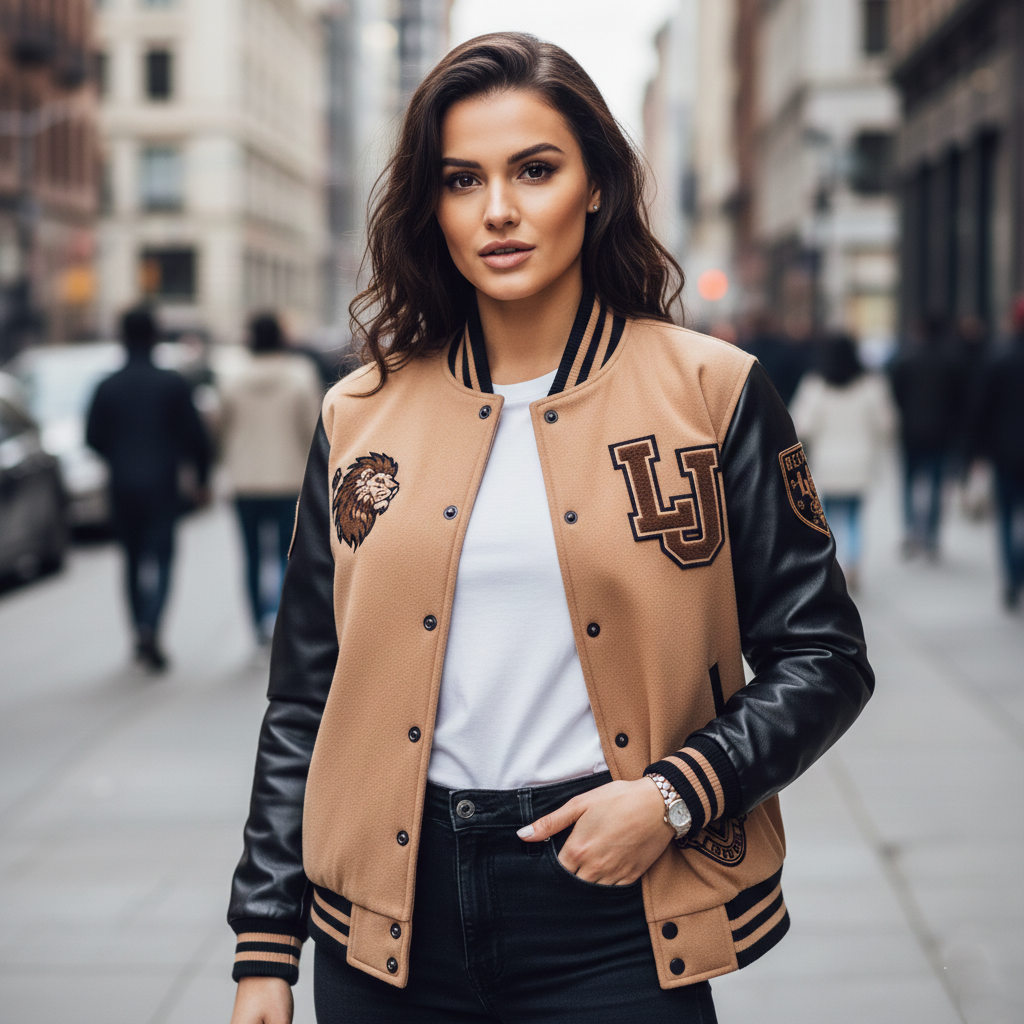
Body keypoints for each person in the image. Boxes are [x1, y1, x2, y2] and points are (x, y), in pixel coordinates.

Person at [227, 34, 873, 1024]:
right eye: (460, 179)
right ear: (428, 205)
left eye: (534, 169)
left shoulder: (714, 392)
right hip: (387, 924)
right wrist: (265, 943)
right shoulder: (357, 413)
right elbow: (305, 694)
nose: (497, 209)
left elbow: (822, 651)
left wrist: (670, 796)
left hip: (613, 908)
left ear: (596, 186)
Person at [86, 305, 211, 671]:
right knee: (164, 560)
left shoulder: (106, 386)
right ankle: (153, 627)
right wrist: (201, 479)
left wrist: (117, 456)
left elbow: (92, 437)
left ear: (121, 338)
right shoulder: (172, 383)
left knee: (131, 560)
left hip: (122, 486)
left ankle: (138, 628)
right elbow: (195, 437)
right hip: (162, 485)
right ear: (155, 337)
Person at [219, 313, 323, 643]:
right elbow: (313, 428)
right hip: (289, 480)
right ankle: (280, 623)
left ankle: (255, 626)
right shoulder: (300, 376)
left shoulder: (231, 378)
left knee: (250, 558)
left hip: (244, 481)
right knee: (285, 556)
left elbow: (221, 429)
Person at [790, 334, 896, 591]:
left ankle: (832, 565)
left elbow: (801, 424)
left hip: (827, 463)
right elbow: (886, 424)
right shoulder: (871, 384)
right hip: (860, 462)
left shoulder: (815, 384)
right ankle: (853, 565)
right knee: (854, 516)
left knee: (827, 517)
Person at [888, 317, 961, 558]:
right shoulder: (950, 363)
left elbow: (895, 396)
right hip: (942, 433)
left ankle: (911, 532)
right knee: (937, 485)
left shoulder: (905, 361)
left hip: (911, 432)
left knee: (909, 483)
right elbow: (958, 402)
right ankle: (931, 536)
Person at [967, 298, 1024, 608]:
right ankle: (1019, 570)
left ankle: (1011, 577)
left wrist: (973, 453)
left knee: (1006, 517)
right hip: (1006, 450)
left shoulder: (998, 358)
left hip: (1004, 452)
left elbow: (980, 409)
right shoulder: (997, 357)